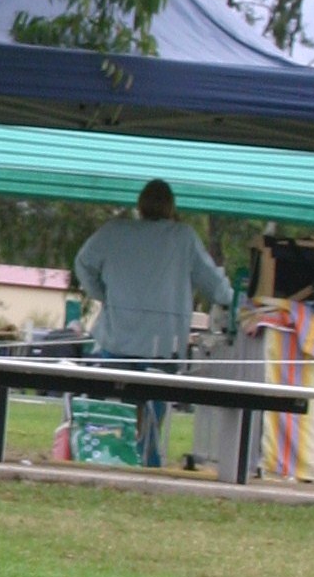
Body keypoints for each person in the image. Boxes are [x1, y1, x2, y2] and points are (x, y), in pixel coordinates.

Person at [74, 178, 233, 466]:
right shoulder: (182, 236)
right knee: (151, 417)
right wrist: (235, 300)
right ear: (172, 206)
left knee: (110, 411)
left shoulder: (114, 231)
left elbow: (83, 263)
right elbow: (214, 285)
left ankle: (108, 457)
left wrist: (103, 295)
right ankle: (146, 461)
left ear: (140, 204)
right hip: (162, 346)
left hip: (116, 339)